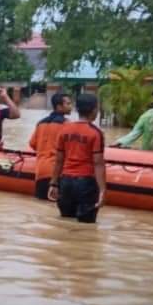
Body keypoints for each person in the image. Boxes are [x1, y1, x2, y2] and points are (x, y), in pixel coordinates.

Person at [48, 94, 106, 223]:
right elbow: (98, 163)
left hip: (66, 182)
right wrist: (102, 190)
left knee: (66, 222)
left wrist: (54, 183)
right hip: (86, 183)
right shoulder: (95, 133)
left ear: (77, 109)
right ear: (94, 110)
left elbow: (59, 160)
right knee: (87, 226)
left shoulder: (64, 129)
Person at [28, 92, 73, 200]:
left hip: (40, 172)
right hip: (56, 174)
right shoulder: (67, 125)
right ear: (59, 106)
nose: (71, 106)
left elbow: (32, 144)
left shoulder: (41, 123)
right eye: (68, 103)